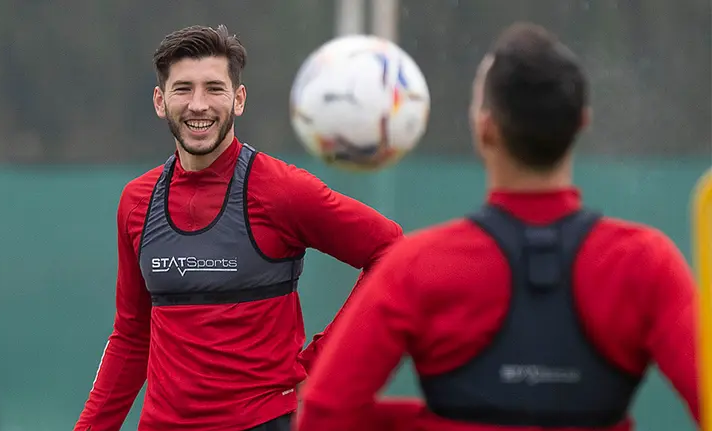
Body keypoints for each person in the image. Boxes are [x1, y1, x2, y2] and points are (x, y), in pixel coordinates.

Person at [296, 22, 701, 431]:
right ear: (581, 122)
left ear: (484, 127)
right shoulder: (646, 263)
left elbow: (324, 416)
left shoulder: (419, 266)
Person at [72, 24, 403, 431]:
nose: (198, 105)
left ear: (238, 99)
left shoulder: (281, 190)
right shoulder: (136, 202)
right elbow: (131, 335)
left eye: (214, 88)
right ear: (160, 101)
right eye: (182, 89)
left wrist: (322, 361)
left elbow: (391, 252)